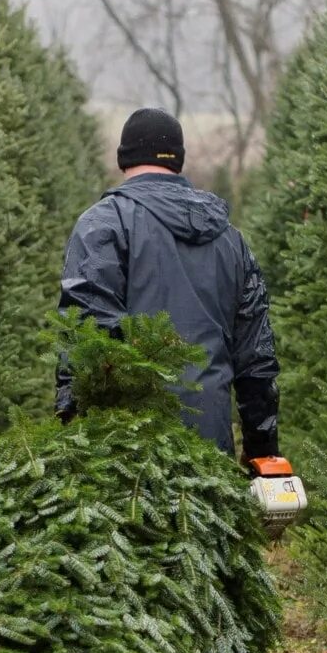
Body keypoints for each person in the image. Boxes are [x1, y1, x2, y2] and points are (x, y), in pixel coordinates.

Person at [56, 106, 281, 464]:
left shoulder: (103, 224)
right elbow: (257, 359)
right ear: (178, 161)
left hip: (125, 457)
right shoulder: (231, 240)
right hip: (211, 453)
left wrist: (70, 429)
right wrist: (263, 453)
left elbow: (86, 339)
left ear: (122, 159)